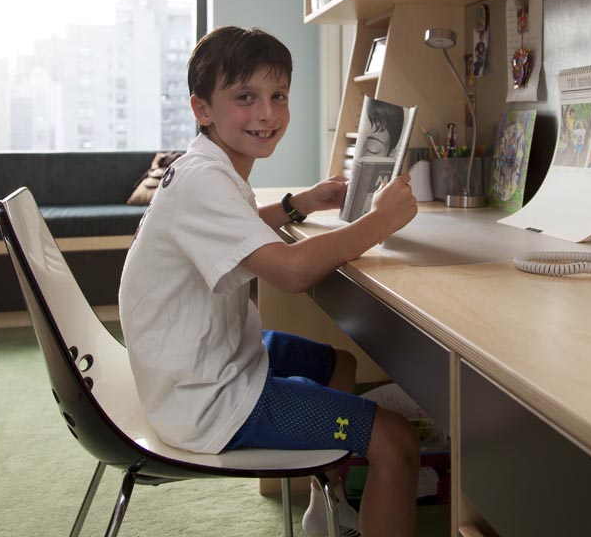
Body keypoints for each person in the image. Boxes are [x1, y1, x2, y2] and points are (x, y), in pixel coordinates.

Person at [119, 26, 420, 537]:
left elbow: (234, 230)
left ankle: (328, 509)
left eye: (277, 96)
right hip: (209, 399)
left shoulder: (206, 167)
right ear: (203, 109)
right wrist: (382, 221)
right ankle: (335, 493)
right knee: (397, 442)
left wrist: (298, 204)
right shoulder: (204, 180)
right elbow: (291, 272)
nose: (267, 113)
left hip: (205, 362)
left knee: (338, 365)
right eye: (245, 98)